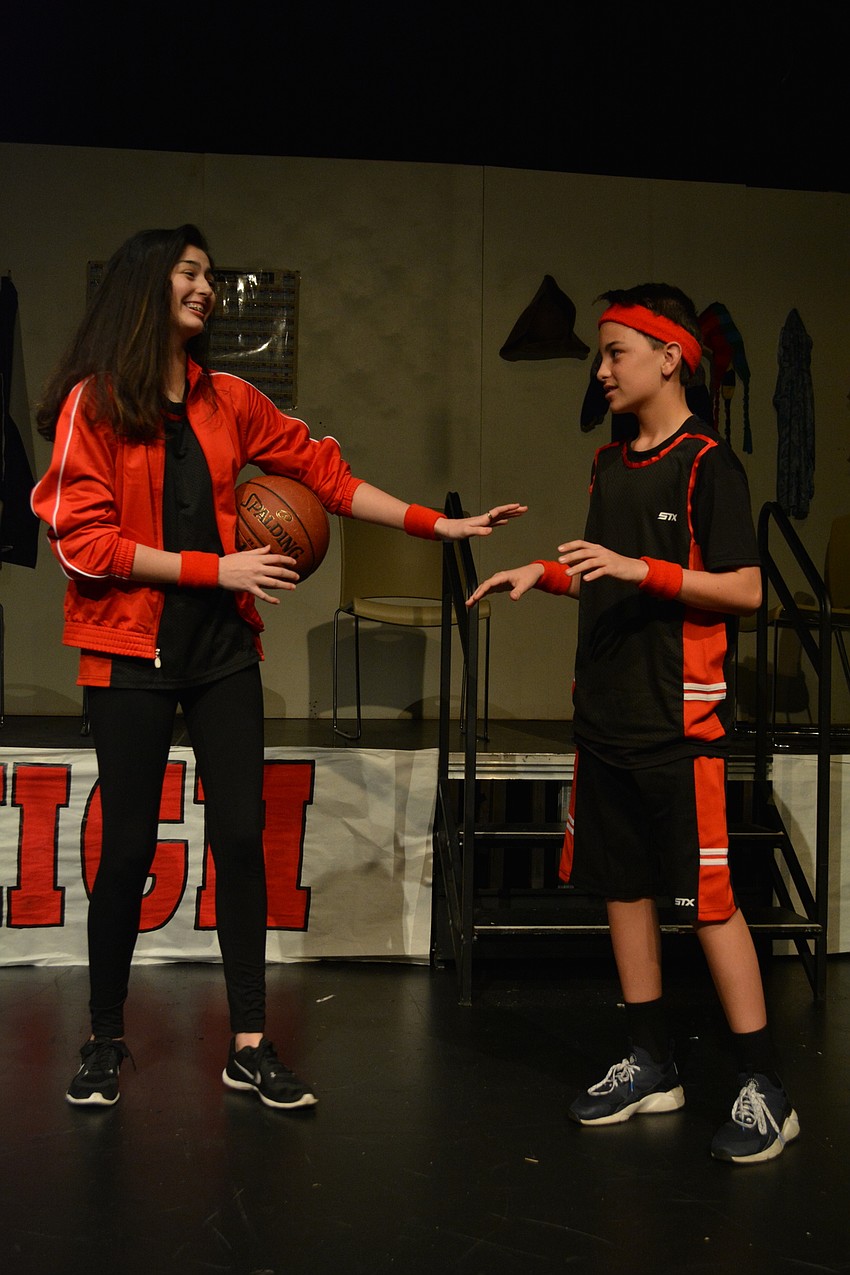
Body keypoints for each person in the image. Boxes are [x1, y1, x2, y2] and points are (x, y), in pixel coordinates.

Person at [32, 224, 525, 1111]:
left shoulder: (229, 400)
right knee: (128, 850)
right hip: (127, 651)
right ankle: (105, 1036)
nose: (207, 288)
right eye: (190, 273)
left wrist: (434, 524)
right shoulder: (93, 404)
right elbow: (82, 541)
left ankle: (249, 1042)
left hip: (221, 652)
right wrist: (213, 568)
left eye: (210, 276)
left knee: (243, 845)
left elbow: (324, 476)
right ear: (146, 288)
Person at [467, 283, 799, 1164]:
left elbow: (746, 589)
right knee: (622, 889)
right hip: (604, 718)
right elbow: (606, 569)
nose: (602, 367)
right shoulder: (611, 464)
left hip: (677, 728)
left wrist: (643, 569)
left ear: (669, 357)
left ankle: (766, 1084)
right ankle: (653, 1062)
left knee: (710, 907)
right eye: (601, 354)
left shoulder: (707, 464)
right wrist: (545, 571)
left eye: (615, 352)